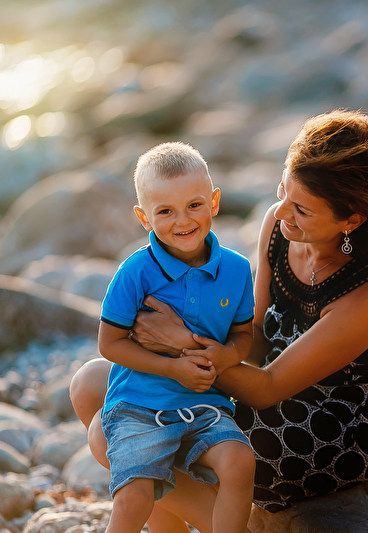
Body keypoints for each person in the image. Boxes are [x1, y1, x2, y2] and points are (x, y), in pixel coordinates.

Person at [70, 109, 368, 531]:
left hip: (322, 434)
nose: (281, 213)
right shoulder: (281, 229)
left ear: (351, 219)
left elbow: (268, 388)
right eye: (283, 191)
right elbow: (256, 333)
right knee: (92, 383)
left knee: (110, 432)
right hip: (255, 386)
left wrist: (181, 344)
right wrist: (179, 354)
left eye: (302, 209)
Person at [95, 142, 256, 533]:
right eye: (165, 211)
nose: (183, 221)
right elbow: (109, 344)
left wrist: (225, 357)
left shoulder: (236, 269)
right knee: (135, 496)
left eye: (194, 205)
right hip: (138, 405)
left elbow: (243, 335)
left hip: (205, 403)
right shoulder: (135, 272)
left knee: (239, 461)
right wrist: (172, 368)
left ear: (214, 202)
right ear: (143, 217)